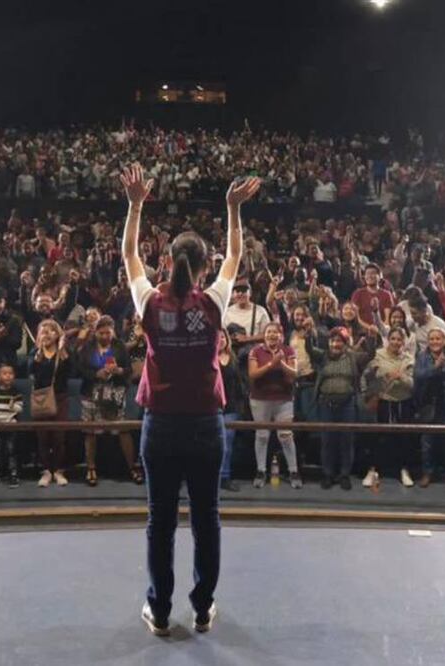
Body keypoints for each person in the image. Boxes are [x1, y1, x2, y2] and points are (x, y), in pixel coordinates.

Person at [122, 164, 261, 636]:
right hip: (205, 426)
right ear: (204, 266)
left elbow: (127, 256)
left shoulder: (149, 302)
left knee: (160, 523)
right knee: (207, 521)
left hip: (159, 426)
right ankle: (202, 609)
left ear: (168, 262)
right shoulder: (215, 303)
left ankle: (159, 612)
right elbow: (237, 255)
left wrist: (136, 204)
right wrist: (232, 208)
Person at [78, 315, 139, 485]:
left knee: (123, 430)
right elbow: (80, 369)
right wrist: (95, 374)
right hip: (91, 393)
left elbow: (129, 370)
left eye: (108, 333)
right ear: (95, 332)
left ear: (113, 332)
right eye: (101, 333)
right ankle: (91, 468)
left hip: (115, 393)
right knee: (90, 432)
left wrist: (118, 371)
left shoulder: (120, 347)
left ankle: (132, 467)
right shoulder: (88, 347)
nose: (105, 336)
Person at [314, 327, 370, 490]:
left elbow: (369, 356)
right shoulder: (322, 357)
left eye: (339, 341)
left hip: (347, 404)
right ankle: (328, 474)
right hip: (326, 404)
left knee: (346, 440)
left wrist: (370, 340)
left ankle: (344, 474)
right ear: (329, 343)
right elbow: (309, 349)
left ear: (345, 344)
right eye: (333, 341)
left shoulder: (352, 357)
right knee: (327, 441)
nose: (336, 344)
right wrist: (310, 332)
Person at [247, 322, 302, 489]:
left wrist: (281, 362)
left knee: (285, 436)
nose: (272, 335)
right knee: (262, 435)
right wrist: (272, 363)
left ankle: (293, 471)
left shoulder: (289, 351)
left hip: (283, 399)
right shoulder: (256, 351)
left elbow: (294, 374)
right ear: (264, 335)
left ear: (281, 335)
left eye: (275, 332)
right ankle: (261, 471)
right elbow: (253, 374)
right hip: (260, 399)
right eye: (269, 332)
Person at [362, 326, 416, 488]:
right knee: (378, 438)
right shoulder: (378, 355)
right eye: (393, 338)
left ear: (403, 342)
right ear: (388, 340)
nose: (396, 342)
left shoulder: (409, 359)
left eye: (399, 339)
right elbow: (368, 375)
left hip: (403, 402)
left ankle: (404, 470)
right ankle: (373, 470)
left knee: (404, 439)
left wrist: (401, 376)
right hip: (382, 401)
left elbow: (412, 385)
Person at [413, 328, 445, 488]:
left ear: (443, 341)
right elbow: (419, 376)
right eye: (432, 339)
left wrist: (443, 366)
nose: (435, 342)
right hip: (427, 405)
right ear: (428, 342)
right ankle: (427, 473)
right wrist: (435, 368)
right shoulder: (422, 357)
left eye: (438, 339)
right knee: (427, 443)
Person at [28, 319, 72, 487]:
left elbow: (70, 371)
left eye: (51, 331)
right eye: (43, 331)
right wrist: (38, 353)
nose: (46, 334)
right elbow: (30, 371)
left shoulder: (64, 352)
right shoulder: (35, 352)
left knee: (59, 436)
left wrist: (62, 351)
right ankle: (46, 470)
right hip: (42, 398)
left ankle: (59, 470)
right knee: (43, 436)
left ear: (58, 334)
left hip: (60, 397)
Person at [0, 363, 23, 487]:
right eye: (4, 373)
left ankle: (13, 473)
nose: (8, 376)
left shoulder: (16, 391)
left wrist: (14, 406)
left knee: (11, 449)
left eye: (10, 373)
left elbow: (20, 407)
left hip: (10, 424)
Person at [217, 331, 245, 492]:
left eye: (223, 337)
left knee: (227, 443)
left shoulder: (234, 359)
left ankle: (225, 476)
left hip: (231, 407)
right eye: (217, 337)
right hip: (213, 407)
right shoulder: (208, 359)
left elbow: (239, 383)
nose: (220, 340)